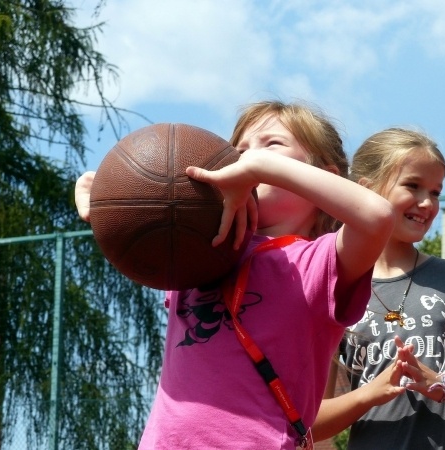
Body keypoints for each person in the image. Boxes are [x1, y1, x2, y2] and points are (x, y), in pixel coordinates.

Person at [74, 100, 395, 449]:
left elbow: (377, 215)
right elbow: (141, 223)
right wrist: (109, 198)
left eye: (272, 145)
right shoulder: (200, 251)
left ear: (323, 178)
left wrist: (261, 167)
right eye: (239, 151)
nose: (249, 157)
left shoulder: (321, 262)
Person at [311, 128, 445, 449]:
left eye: (435, 192)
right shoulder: (332, 287)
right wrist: (369, 393)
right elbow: (315, 422)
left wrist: (441, 383)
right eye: (413, 186)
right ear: (367, 190)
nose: (427, 203)